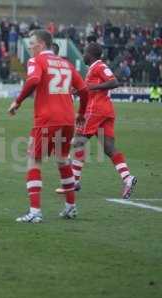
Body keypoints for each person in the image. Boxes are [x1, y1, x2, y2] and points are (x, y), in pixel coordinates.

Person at [8, 30, 88, 223]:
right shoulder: (66, 64)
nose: (29, 47)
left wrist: (17, 102)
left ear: (42, 44)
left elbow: (34, 80)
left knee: (34, 160)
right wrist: (81, 114)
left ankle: (35, 212)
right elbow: (84, 90)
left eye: (32, 43)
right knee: (62, 160)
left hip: (47, 119)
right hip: (67, 119)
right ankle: (71, 207)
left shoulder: (37, 61)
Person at [56, 42, 137, 199]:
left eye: (85, 52)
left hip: (96, 110)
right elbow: (92, 88)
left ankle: (73, 181)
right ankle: (128, 178)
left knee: (76, 142)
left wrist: (90, 88)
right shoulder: (93, 69)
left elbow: (114, 82)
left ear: (90, 54)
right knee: (109, 148)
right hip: (106, 111)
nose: (83, 55)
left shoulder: (99, 66)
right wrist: (81, 91)